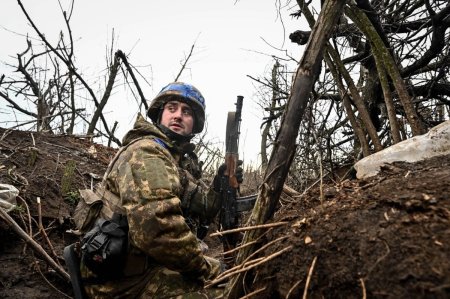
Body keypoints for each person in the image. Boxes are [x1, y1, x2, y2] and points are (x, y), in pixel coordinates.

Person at [79, 82, 238, 298]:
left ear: (195, 124)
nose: (178, 116)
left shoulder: (171, 158)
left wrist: (221, 183)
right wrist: (208, 268)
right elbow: (158, 231)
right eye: (172, 108)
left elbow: (203, 204)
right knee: (227, 292)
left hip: (143, 268)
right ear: (159, 114)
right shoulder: (147, 153)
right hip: (120, 285)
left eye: (187, 112)